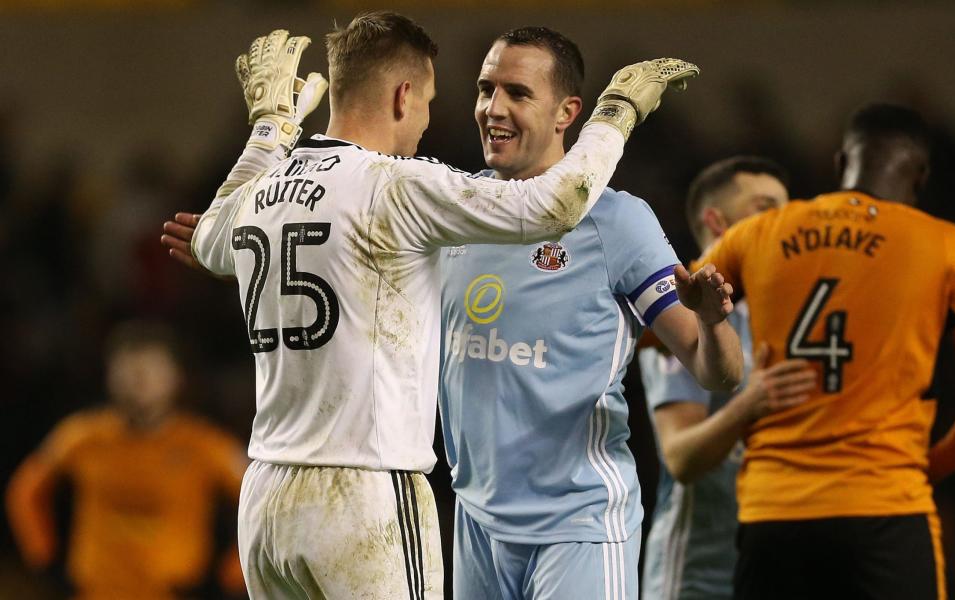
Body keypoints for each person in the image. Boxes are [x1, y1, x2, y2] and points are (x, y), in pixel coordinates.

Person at [161, 12, 710, 599]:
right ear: (403, 97)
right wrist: (616, 113)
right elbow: (552, 206)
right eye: (428, 100)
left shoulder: (266, 193)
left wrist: (270, 125)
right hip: (365, 488)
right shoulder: (397, 186)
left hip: (267, 494)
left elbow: (209, 239)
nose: (431, 119)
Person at [438, 28, 743, 600]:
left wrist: (711, 321)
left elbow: (716, 371)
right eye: (485, 89)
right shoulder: (455, 210)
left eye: (517, 93)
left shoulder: (617, 223)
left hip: (578, 526)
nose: (493, 109)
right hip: (475, 524)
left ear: (567, 113)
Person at [695, 103, 951, 600]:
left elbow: (673, 308)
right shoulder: (942, 245)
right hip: (884, 504)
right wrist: (934, 462)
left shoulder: (755, 234)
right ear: (920, 177)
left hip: (774, 512)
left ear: (840, 164)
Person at [637, 156, 814, 600]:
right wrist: (748, 405)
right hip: (697, 574)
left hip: (773, 566)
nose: (782, 223)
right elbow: (680, 458)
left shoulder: (786, 319)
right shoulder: (682, 316)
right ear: (717, 223)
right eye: (765, 208)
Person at [5, 321, 247, 599]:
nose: (139, 379)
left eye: (151, 368)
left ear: (176, 377)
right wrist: (43, 559)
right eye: (129, 368)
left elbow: (260, 503)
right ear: (110, 374)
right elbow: (25, 491)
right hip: (96, 592)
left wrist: (235, 572)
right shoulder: (82, 436)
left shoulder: (205, 445)